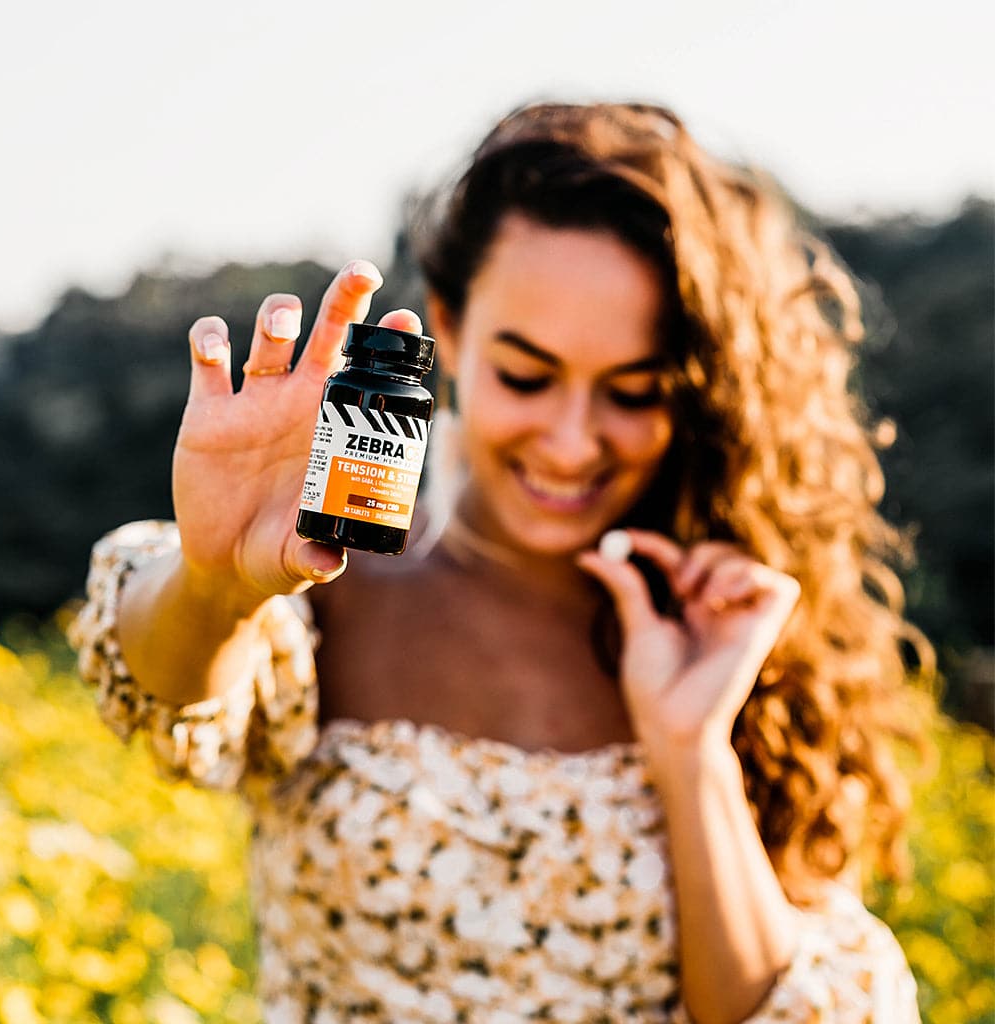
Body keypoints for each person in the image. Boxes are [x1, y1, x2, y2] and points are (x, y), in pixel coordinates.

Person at [69, 102, 928, 1023]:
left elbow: (781, 1010)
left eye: (633, 392)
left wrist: (691, 751)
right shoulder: (330, 580)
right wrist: (217, 581)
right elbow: (164, 691)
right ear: (449, 325)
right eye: (527, 375)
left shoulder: (728, 619)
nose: (571, 442)